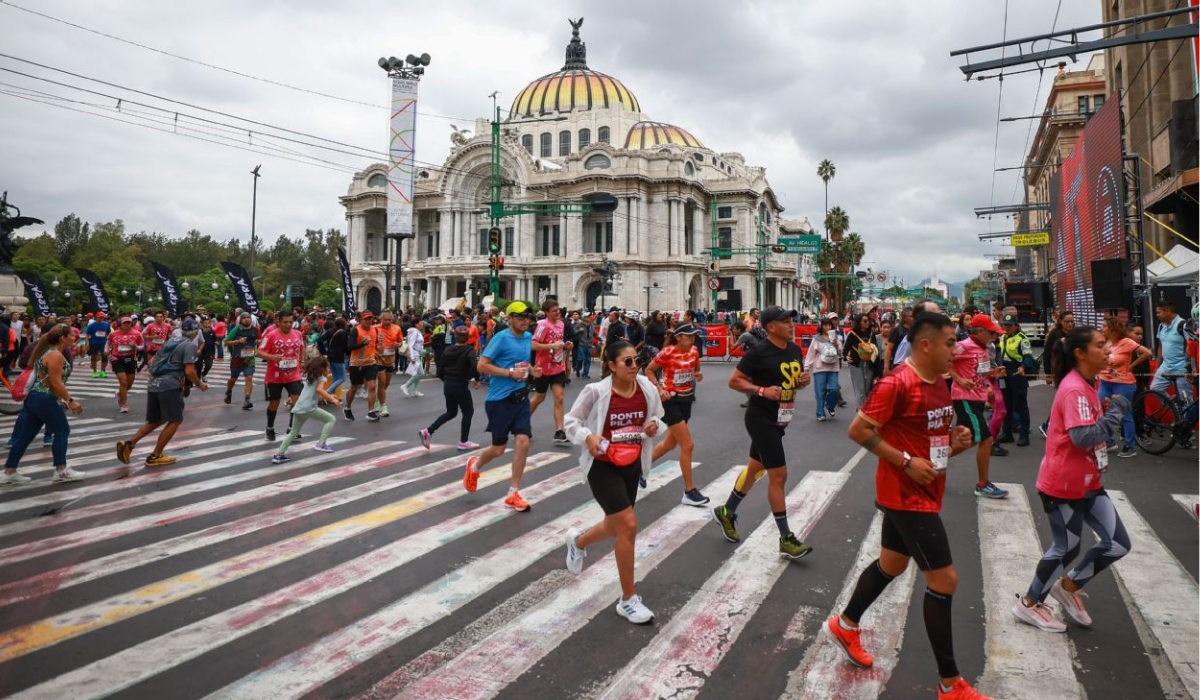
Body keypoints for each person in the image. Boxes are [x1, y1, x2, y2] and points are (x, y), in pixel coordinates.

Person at [834, 311, 983, 700]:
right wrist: (903, 461)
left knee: (893, 564)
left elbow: (927, 439)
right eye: (951, 343)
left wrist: (956, 442)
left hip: (925, 487)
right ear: (926, 345)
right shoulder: (897, 382)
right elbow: (859, 430)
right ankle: (950, 685)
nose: (956, 350)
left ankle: (845, 626)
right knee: (944, 580)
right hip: (905, 496)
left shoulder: (939, 382)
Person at [1012, 326, 1132, 634]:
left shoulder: (1088, 383)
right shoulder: (1076, 388)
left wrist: (1104, 412)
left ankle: (1067, 587)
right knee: (1065, 549)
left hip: (1090, 482)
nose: (1108, 350)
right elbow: (1082, 437)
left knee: (1118, 544)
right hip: (1064, 485)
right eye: (1101, 345)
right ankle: (1027, 604)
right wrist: (1115, 412)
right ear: (1080, 353)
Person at [563, 341, 666, 625]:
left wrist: (654, 426)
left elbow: (658, 417)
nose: (635, 367)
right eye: (628, 362)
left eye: (637, 361)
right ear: (610, 365)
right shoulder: (595, 392)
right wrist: (588, 437)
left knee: (616, 523)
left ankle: (578, 541)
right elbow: (570, 421)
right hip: (602, 465)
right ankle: (628, 599)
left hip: (632, 462)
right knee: (629, 526)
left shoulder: (645, 387)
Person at [712, 306, 815, 560]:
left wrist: (801, 381)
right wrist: (761, 391)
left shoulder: (793, 349)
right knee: (778, 475)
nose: (792, 325)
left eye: (792, 321)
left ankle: (726, 512)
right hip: (761, 419)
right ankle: (786, 538)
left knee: (755, 469)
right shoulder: (759, 352)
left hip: (781, 418)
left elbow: (791, 381)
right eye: (785, 322)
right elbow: (734, 381)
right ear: (771, 327)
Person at [463, 301, 544, 512]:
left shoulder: (527, 338)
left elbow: (521, 362)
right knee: (498, 449)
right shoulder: (500, 339)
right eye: (520, 317)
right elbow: (482, 365)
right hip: (499, 400)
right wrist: (509, 373)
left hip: (521, 398)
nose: (525, 320)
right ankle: (475, 466)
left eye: (528, 317)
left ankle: (513, 492)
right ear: (509, 319)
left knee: (523, 441)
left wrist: (532, 370)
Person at [0, 325, 86, 485]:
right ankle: (62, 470)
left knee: (25, 435)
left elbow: (46, 379)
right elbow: (55, 382)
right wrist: (70, 400)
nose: (75, 338)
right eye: (72, 335)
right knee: (62, 430)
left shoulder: (47, 352)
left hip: (36, 397)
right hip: (43, 397)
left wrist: (60, 400)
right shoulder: (55, 355)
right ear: (62, 338)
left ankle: (9, 472)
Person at [116, 319, 207, 467]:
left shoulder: (170, 342)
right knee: (175, 419)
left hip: (154, 383)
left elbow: (152, 362)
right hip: (169, 385)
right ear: (197, 332)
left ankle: (129, 444)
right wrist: (199, 384)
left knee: (156, 420)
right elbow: (189, 370)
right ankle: (155, 455)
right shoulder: (190, 345)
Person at [645, 323, 708, 506]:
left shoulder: (694, 351)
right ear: (679, 337)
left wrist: (697, 375)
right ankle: (689, 491)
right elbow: (649, 370)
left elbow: (696, 370)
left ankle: (640, 470)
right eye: (689, 336)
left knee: (670, 443)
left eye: (694, 336)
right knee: (687, 445)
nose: (692, 338)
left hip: (687, 400)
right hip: (670, 401)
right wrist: (659, 388)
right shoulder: (667, 352)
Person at [948, 314, 1010, 499]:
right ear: (980, 331)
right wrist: (959, 379)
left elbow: (979, 373)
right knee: (986, 439)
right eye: (992, 333)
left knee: (970, 440)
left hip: (976, 398)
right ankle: (983, 484)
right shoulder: (964, 346)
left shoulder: (984, 348)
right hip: (964, 398)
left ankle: (933, 460)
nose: (994, 337)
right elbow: (943, 360)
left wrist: (993, 374)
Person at [1098, 317, 1152, 458]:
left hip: (1123, 384)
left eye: (1104, 326)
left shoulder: (1126, 342)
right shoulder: (1104, 342)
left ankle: (1129, 446)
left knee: (1125, 415)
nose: (1101, 328)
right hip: (1105, 382)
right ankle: (1109, 442)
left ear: (1112, 328)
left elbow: (1147, 353)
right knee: (1100, 410)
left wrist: (1131, 366)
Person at [421, 326, 481, 451]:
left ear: (455, 337)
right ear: (468, 337)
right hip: (460, 384)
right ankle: (464, 441)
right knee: (468, 411)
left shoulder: (447, 350)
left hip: (448, 384)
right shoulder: (469, 350)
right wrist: (476, 379)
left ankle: (428, 431)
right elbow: (474, 365)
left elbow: (440, 371)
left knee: (451, 412)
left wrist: (447, 381)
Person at [271, 356, 340, 464]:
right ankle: (321, 444)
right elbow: (319, 390)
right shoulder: (322, 378)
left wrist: (329, 396)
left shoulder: (311, 377)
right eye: (328, 368)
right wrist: (331, 399)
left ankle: (279, 454)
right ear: (322, 369)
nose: (329, 370)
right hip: (309, 408)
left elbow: (314, 393)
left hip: (298, 408)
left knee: (293, 432)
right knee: (331, 419)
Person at [256, 310, 306, 441]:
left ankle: (292, 429)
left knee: (298, 402)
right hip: (275, 375)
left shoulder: (298, 334)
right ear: (279, 321)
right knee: (274, 403)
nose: (288, 324)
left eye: (290, 322)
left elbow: (302, 348)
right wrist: (272, 357)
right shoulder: (271, 335)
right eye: (285, 322)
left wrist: (302, 362)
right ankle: (270, 427)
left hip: (294, 374)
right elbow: (259, 352)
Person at [529, 300, 572, 443]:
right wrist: (551, 345)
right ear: (547, 312)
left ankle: (559, 431)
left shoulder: (561, 324)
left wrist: (565, 345)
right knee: (539, 398)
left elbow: (558, 343)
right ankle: (522, 422)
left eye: (558, 310)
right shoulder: (542, 325)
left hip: (558, 366)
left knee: (559, 398)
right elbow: (533, 345)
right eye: (554, 311)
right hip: (543, 367)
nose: (558, 312)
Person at [996, 313, 1036, 446]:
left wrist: (1023, 367)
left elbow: (1028, 357)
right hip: (1004, 373)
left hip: (1017, 373)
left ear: (1016, 326)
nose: (1006, 328)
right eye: (1004, 325)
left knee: (1020, 406)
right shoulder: (1002, 337)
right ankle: (1007, 433)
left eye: (1009, 325)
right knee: (1006, 405)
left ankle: (1024, 435)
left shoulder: (1022, 339)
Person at [1038, 312, 1075, 437]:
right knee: (1063, 400)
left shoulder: (1073, 334)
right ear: (1060, 322)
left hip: (1073, 371)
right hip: (1061, 372)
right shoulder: (1056, 335)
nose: (1070, 324)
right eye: (1067, 321)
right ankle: (1048, 425)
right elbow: (1047, 354)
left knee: (1068, 401)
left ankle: (1061, 426)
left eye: (1071, 321)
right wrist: (1048, 374)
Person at [1151, 300, 1193, 403]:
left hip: (1181, 369)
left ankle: (1184, 417)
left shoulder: (1183, 325)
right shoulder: (1161, 326)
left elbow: (1192, 346)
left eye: (1158, 312)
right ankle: (1175, 411)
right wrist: (1157, 366)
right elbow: (1160, 347)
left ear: (1167, 311)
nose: (1157, 315)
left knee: (1185, 400)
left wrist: (1190, 368)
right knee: (1155, 389)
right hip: (1165, 367)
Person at [344, 312, 382, 422]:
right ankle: (348, 408)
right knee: (354, 387)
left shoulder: (374, 330)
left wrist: (378, 349)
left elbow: (375, 344)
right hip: (357, 364)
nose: (368, 321)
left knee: (372, 386)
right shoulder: (355, 330)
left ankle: (371, 412)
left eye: (370, 319)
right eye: (366, 319)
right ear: (361, 319)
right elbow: (350, 347)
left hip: (371, 362)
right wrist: (362, 343)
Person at [805, 317, 842, 421]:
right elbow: (811, 353)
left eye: (829, 325)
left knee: (834, 389)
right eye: (825, 325)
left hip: (833, 368)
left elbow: (840, 354)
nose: (828, 327)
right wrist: (806, 367)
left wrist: (835, 345)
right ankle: (820, 413)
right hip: (819, 368)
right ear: (821, 326)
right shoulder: (817, 338)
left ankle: (830, 406)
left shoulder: (835, 338)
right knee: (820, 391)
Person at [107, 316, 144, 414]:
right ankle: (124, 404)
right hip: (117, 359)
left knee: (129, 383)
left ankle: (120, 394)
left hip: (131, 359)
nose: (126, 325)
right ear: (121, 324)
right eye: (124, 323)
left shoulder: (137, 334)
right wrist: (106, 350)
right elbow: (108, 342)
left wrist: (136, 346)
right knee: (123, 382)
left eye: (128, 323)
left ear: (131, 324)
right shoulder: (114, 334)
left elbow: (142, 346)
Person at [223, 312, 258, 410]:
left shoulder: (255, 330)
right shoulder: (236, 329)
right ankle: (229, 390)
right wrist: (238, 341)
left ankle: (247, 400)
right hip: (237, 358)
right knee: (233, 379)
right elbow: (226, 342)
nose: (247, 319)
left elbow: (259, 340)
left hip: (249, 359)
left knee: (249, 378)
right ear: (241, 320)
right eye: (244, 318)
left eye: (248, 318)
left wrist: (258, 342)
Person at [845, 313, 878, 406]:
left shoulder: (872, 334)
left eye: (868, 321)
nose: (867, 323)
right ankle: (861, 413)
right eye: (865, 321)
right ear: (859, 322)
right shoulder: (852, 334)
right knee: (860, 392)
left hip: (869, 365)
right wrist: (846, 356)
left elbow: (876, 351)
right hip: (856, 365)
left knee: (868, 390)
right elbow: (845, 349)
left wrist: (877, 370)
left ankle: (863, 410)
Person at [374, 311, 404, 416]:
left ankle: (377, 400)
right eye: (385, 320)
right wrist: (376, 350)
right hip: (379, 358)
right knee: (382, 382)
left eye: (389, 320)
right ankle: (383, 406)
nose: (387, 322)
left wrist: (398, 344)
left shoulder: (397, 328)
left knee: (386, 383)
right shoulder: (375, 328)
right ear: (380, 319)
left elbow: (401, 342)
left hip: (390, 358)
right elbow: (370, 343)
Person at [323, 317, 350, 400]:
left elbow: (320, 340)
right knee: (342, 378)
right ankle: (328, 392)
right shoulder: (343, 333)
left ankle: (332, 397)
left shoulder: (332, 331)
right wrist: (349, 353)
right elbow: (345, 346)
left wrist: (323, 351)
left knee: (335, 378)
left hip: (331, 356)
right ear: (343, 324)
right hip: (338, 357)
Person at [400, 319, 426, 397]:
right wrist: (412, 357)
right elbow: (410, 345)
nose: (422, 324)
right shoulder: (414, 332)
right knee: (421, 373)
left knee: (418, 373)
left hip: (419, 353)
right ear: (416, 324)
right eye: (420, 323)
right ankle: (406, 386)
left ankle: (415, 390)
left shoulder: (418, 332)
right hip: (415, 354)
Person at [86, 311, 111, 378]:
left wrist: (109, 341)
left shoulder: (106, 324)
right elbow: (87, 334)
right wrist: (87, 343)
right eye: (100, 317)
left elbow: (108, 333)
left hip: (103, 343)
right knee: (94, 357)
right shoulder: (91, 325)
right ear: (96, 317)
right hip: (94, 342)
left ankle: (102, 371)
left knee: (105, 356)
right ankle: (94, 371)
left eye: (102, 317)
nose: (101, 318)